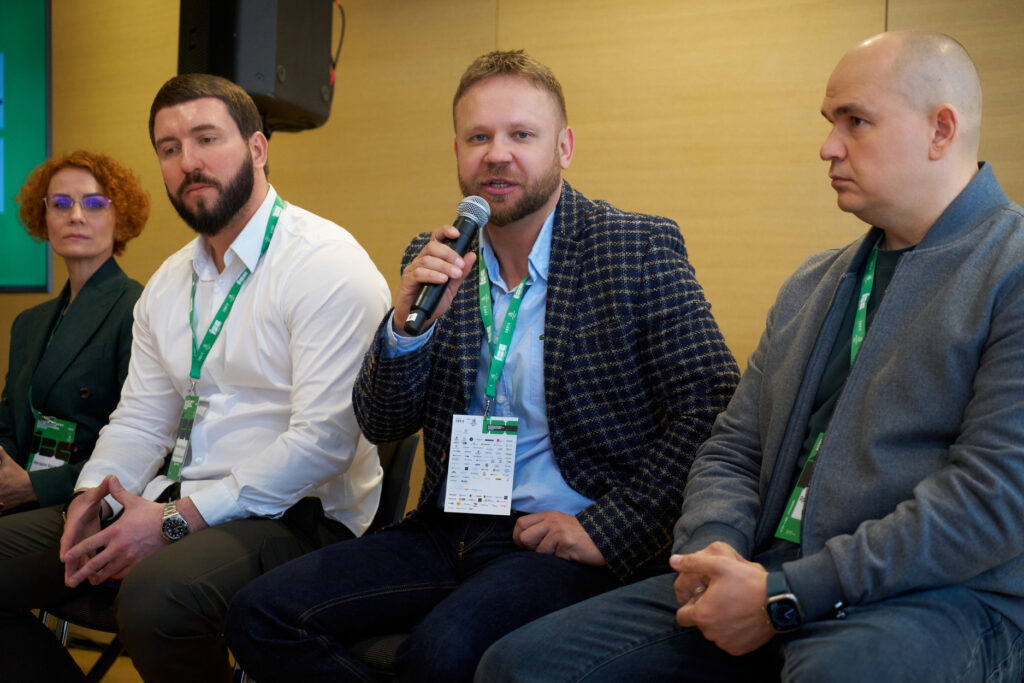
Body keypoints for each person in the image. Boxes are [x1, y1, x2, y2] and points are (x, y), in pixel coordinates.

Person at [475, 30, 1024, 683]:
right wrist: (714, 554)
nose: (828, 146)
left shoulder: (1009, 271)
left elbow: (993, 498)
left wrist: (787, 594)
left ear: (941, 130)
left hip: (937, 596)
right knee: (518, 666)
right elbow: (732, 447)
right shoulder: (814, 283)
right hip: (763, 570)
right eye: (830, 122)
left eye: (856, 121)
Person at [225, 49, 740, 682]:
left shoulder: (634, 248)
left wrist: (610, 528)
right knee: (259, 615)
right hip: (451, 526)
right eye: (478, 137)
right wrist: (406, 330)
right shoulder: (440, 260)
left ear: (564, 147)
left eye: (521, 135)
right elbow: (382, 422)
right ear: (458, 152)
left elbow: (712, 406)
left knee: (443, 652)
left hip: (563, 538)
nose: (497, 154)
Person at [0, 73, 390, 683]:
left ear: (257, 149)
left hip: (297, 517)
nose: (188, 162)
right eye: (170, 148)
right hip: (172, 499)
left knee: (155, 600)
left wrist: (175, 520)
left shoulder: (326, 264)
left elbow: (323, 444)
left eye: (207, 139)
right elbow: (140, 420)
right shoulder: (168, 282)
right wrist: (90, 498)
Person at [0, 151, 147, 515]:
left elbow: (142, 440)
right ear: (43, 217)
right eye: (61, 203)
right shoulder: (28, 323)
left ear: (120, 217)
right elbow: (10, 422)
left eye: (94, 204)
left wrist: (34, 486)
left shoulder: (138, 308)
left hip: (86, 502)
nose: (76, 216)